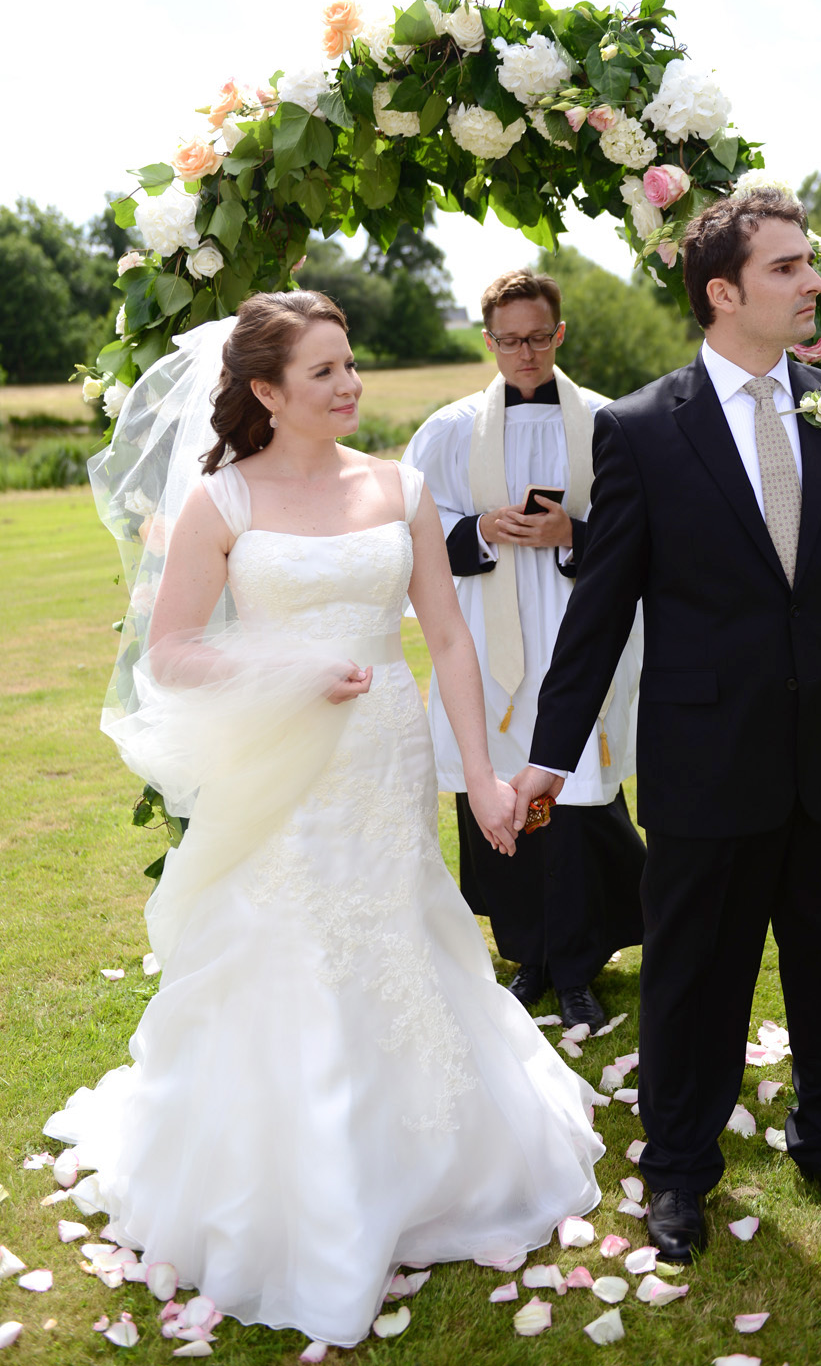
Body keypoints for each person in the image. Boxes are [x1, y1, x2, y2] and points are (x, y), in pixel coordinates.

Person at [44, 292, 602, 1349]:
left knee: (397, 924)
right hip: (286, 761)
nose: (349, 386)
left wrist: (480, 778)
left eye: (351, 365)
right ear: (265, 392)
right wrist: (291, 667)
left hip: (385, 752)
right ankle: (298, 1172)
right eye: (324, 373)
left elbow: (444, 635)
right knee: (289, 941)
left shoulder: (401, 484)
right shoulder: (222, 502)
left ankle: (433, 1160)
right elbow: (169, 654)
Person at [512, 189, 821, 1262]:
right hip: (706, 762)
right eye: (788, 267)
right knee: (694, 978)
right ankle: (679, 1171)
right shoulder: (643, 430)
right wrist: (548, 757)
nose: (812, 283)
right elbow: (599, 611)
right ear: (723, 292)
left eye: (807, 265)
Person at [402, 269, 645, 1035]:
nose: (526, 352)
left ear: (560, 335)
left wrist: (572, 534)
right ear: (489, 342)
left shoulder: (610, 423)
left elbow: (643, 531)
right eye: (509, 340)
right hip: (485, 636)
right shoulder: (447, 431)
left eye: (539, 337)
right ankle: (526, 957)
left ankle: (577, 969)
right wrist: (478, 531)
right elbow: (409, 533)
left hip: (576, 632)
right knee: (497, 793)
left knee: (572, 803)